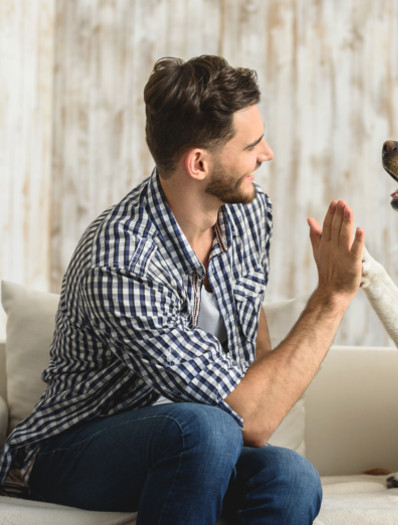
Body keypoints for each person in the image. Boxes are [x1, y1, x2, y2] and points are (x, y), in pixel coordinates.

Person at [0, 55, 364, 524]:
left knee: (291, 477)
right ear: (198, 163)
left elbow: (251, 331)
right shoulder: (121, 256)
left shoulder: (249, 213)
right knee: (205, 426)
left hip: (200, 443)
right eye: (252, 144)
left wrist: (259, 409)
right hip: (71, 449)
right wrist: (331, 297)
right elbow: (248, 417)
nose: (267, 153)